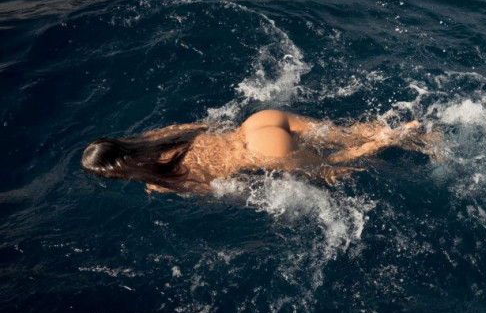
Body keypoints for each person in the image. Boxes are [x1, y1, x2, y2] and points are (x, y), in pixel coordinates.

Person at [81, 109, 441, 194]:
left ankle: (392, 140)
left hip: (261, 152)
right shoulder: (152, 136)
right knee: (342, 134)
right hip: (257, 122)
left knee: (332, 166)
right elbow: (203, 126)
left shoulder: (157, 182)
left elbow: (222, 189)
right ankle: (407, 125)